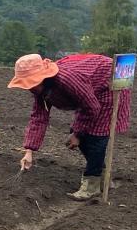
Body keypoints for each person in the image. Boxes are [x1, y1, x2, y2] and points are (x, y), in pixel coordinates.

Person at [9, 53, 130, 200]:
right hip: (90, 94)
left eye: (30, 82)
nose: (29, 87)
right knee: (81, 132)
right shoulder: (39, 89)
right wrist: (29, 151)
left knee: (96, 135)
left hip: (109, 86)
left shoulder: (66, 79)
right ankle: (103, 177)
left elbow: (91, 107)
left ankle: (91, 185)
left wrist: (77, 134)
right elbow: (38, 118)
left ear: (42, 77)